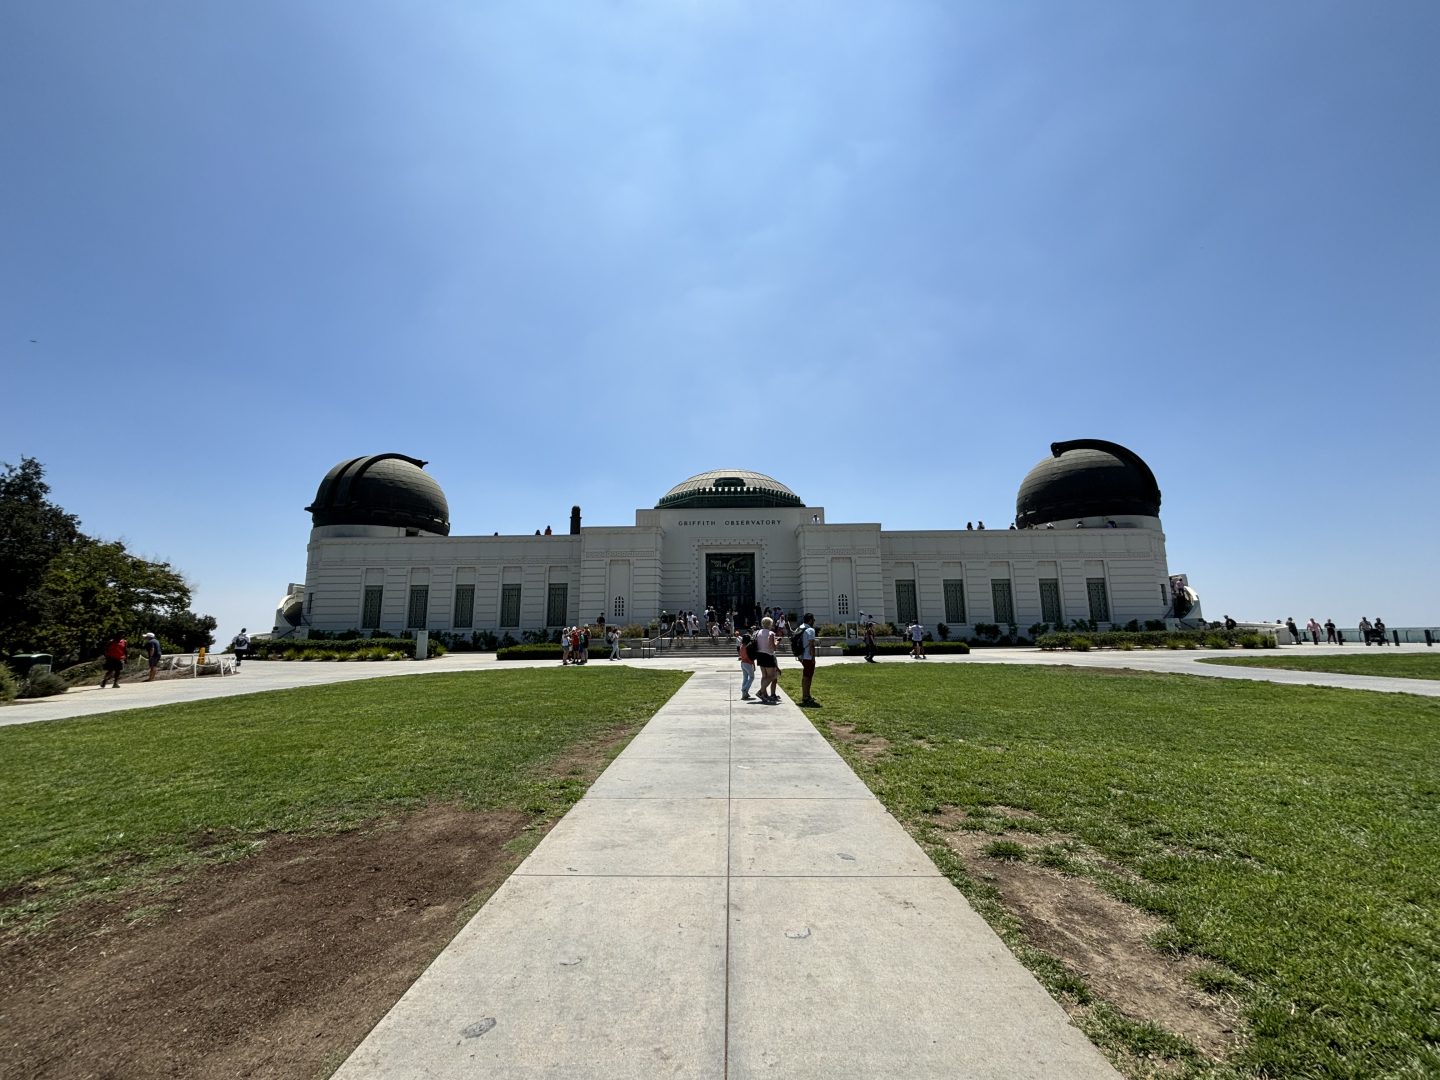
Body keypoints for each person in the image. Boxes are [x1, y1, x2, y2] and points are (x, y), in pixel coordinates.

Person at [753, 616, 780, 703]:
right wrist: (777, 642)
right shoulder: (771, 633)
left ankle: (764, 694)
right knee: (772, 676)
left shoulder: (757, 632)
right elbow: (773, 647)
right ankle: (761, 691)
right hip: (768, 655)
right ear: (770, 624)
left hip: (759, 655)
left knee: (764, 676)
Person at [798, 613, 820, 707]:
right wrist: (813, 657)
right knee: (808, 677)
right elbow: (811, 644)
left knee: (805, 676)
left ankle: (806, 694)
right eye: (813, 620)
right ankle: (806, 696)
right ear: (810, 620)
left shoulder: (800, 627)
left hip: (801, 656)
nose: (814, 622)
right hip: (808, 656)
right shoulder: (810, 630)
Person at [737, 631, 756, 700]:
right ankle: (744, 689)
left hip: (743, 663)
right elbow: (751, 656)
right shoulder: (748, 647)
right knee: (751, 677)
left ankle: (744, 694)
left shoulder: (742, 646)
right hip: (748, 663)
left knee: (745, 678)